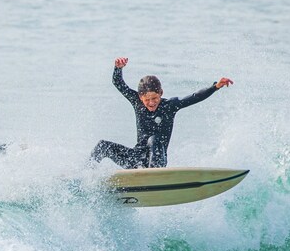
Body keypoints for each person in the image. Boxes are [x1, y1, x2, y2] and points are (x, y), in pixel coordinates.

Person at [89, 57, 233, 169]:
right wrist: (118, 68)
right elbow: (119, 83)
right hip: (136, 159)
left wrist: (215, 86)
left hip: (157, 161)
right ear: (140, 97)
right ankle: (86, 174)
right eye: (147, 100)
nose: (151, 103)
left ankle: (153, 175)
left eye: (155, 98)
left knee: (154, 139)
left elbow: (195, 97)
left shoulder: (169, 106)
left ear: (161, 93)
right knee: (103, 145)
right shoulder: (136, 101)